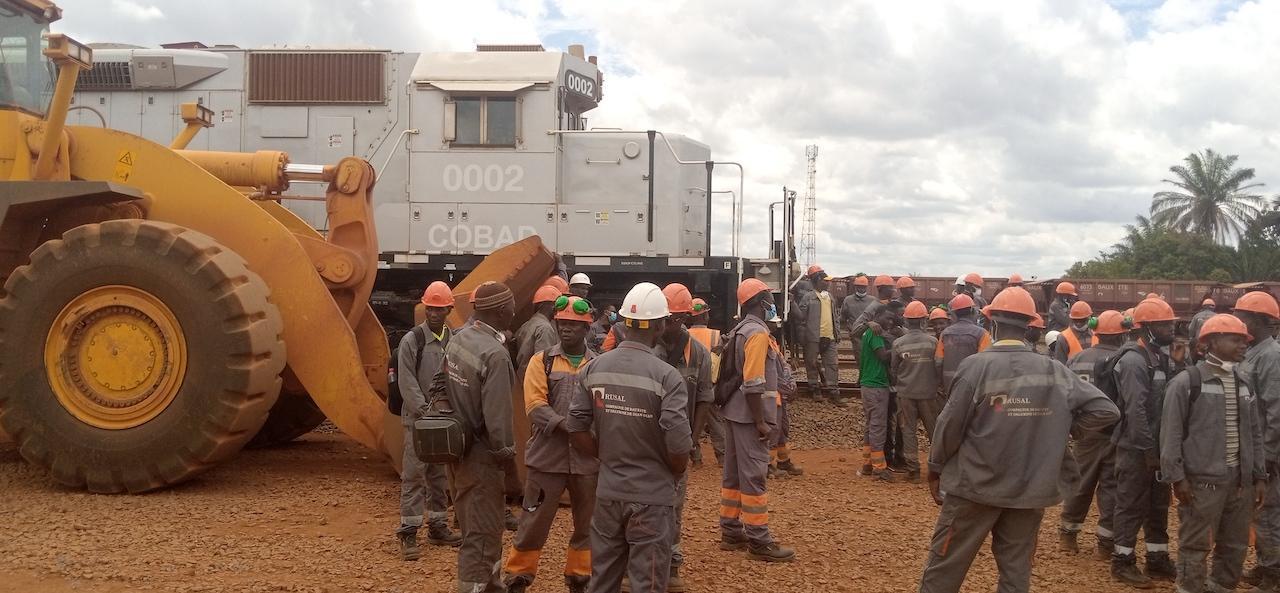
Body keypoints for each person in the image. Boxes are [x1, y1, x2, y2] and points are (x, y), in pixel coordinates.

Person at [918, 286, 1120, 593]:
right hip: (1028, 491)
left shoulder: (975, 367)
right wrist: (1065, 427)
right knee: (1016, 574)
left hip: (974, 488)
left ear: (992, 323)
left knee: (944, 569)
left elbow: (949, 426)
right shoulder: (1053, 370)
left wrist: (935, 467)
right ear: (1029, 326)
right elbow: (1107, 411)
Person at [567, 282, 693, 593]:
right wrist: (671, 472)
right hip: (651, 497)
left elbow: (575, 428)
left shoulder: (594, 368)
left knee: (603, 579)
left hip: (609, 492)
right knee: (647, 582)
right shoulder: (667, 377)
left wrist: (605, 455)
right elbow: (679, 447)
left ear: (624, 322)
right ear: (660, 325)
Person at [1161, 313, 1267, 593]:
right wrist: (1177, 478)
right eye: (1236, 340)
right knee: (1196, 545)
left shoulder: (1244, 383)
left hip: (1240, 483)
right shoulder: (1187, 383)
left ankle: (1221, 587)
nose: (1243, 345)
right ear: (1212, 342)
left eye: (1245, 341)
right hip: (1202, 483)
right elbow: (1170, 434)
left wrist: (1259, 476)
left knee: (1234, 545)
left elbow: (1255, 433)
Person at [504, 296, 598, 593]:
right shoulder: (541, 361)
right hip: (547, 460)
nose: (566, 329)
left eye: (574, 324)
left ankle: (580, 577)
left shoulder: (598, 365)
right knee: (534, 520)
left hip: (587, 463)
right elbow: (535, 406)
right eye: (562, 323)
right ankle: (518, 577)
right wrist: (571, 428)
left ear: (587, 328)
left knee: (588, 523)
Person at [435, 281, 518, 593]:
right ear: (501, 310)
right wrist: (511, 474)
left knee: (481, 526)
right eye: (511, 306)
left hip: (457, 450)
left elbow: (438, 386)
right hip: (482, 459)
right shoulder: (495, 355)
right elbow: (499, 426)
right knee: (481, 535)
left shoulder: (460, 338)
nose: (514, 310)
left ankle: (492, 584)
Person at [718, 278, 796, 562]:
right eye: (770, 298)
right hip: (750, 417)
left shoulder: (740, 329)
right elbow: (753, 382)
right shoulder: (758, 333)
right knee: (753, 476)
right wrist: (761, 421)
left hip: (734, 412)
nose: (773, 302)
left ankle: (730, 530)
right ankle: (759, 540)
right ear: (762, 302)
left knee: (733, 475)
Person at [1109, 297, 1179, 587]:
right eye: (1164, 325)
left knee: (1158, 505)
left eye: (1170, 323)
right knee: (1130, 504)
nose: (1171, 329)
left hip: (1156, 447)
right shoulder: (1133, 361)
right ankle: (1122, 562)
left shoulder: (1159, 357)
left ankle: (1157, 559)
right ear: (1146, 328)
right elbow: (1135, 409)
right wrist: (1147, 449)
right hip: (1136, 448)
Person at [395, 282, 462, 560]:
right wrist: (423, 411)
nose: (434, 313)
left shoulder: (453, 340)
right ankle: (408, 532)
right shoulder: (413, 340)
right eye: (430, 308)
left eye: (439, 309)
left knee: (438, 475)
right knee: (414, 474)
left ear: (449, 310)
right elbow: (406, 380)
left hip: (442, 421)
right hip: (418, 420)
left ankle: (437, 526)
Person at [656, 283, 714, 592]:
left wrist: (693, 439)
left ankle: (672, 565)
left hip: (677, 442)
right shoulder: (647, 348)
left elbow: (704, 398)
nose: (668, 325)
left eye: (674, 319)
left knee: (674, 504)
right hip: (646, 440)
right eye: (664, 319)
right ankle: (638, 561)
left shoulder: (699, 354)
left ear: (684, 319)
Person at [1058, 310, 1127, 557]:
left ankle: (1068, 535)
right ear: (1122, 335)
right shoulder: (1124, 360)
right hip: (1115, 433)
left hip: (1084, 432)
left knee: (1080, 483)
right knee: (1111, 488)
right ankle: (1106, 545)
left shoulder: (1078, 358)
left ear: (1095, 331)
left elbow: (1065, 393)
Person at [1234, 292, 1280, 593]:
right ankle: (1266, 565)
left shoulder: (1271, 357)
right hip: (1256, 450)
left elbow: (1276, 409)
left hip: (1268, 452)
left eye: (1243, 318)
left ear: (1260, 321)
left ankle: (1274, 575)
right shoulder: (1254, 353)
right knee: (1259, 512)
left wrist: (1269, 455)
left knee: (1269, 512)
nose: (1239, 323)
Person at [891, 301, 941, 484]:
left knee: (908, 431)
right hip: (928, 394)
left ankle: (913, 471)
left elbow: (894, 370)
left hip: (906, 394)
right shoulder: (933, 342)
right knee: (934, 431)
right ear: (924, 321)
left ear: (906, 321)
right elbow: (939, 367)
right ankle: (937, 469)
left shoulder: (898, 343)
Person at [859, 304, 899, 480]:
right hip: (876, 385)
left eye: (892, 319)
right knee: (878, 426)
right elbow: (883, 356)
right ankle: (879, 468)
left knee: (871, 425)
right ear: (877, 316)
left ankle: (868, 464)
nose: (890, 322)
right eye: (887, 318)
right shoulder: (875, 333)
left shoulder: (870, 332)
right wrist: (899, 347)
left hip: (869, 384)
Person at [687, 297, 727, 467]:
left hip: (688, 384)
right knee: (715, 421)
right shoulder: (715, 335)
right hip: (709, 384)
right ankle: (723, 457)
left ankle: (696, 459)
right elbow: (720, 363)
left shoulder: (685, 335)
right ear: (705, 316)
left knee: (690, 421)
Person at [795, 266, 842, 405]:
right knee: (812, 363)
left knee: (832, 365)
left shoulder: (830, 297)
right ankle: (814, 388)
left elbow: (835, 317)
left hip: (830, 337)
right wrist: (803, 337)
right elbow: (801, 319)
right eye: (825, 281)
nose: (828, 283)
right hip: (813, 337)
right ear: (817, 281)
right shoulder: (808, 297)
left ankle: (834, 392)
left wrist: (837, 332)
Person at [767, 311, 804, 479]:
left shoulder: (772, 341)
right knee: (773, 430)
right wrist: (788, 387)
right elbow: (773, 373)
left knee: (782, 429)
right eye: (773, 322)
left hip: (779, 394)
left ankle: (783, 460)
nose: (776, 325)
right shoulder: (764, 342)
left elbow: (783, 367)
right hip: (772, 394)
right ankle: (767, 465)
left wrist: (790, 386)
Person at [935, 294, 992, 392]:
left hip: (949, 384)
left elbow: (938, 362)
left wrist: (941, 382)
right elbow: (986, 364)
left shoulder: (945, 334)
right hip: (972, 386)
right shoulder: (982, 334)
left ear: (954, 313)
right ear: (972, 311)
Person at [515, 285, 562, 373]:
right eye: (556, 304)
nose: (558, 308)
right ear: (546, 305)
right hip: (535, 377)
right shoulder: (545, 328)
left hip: (523, 375)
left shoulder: (527, 324)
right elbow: (544, 363)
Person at [839, 275, 875, 355]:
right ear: (855, 287)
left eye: (863, 287)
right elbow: (843, 317)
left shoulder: (872, 300)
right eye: (859, 287)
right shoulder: (848, 300)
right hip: (855, 333)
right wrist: (848, 329)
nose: (861, 289)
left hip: (869, 332)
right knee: (859, 355)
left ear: (866, 287)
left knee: (870, 354)